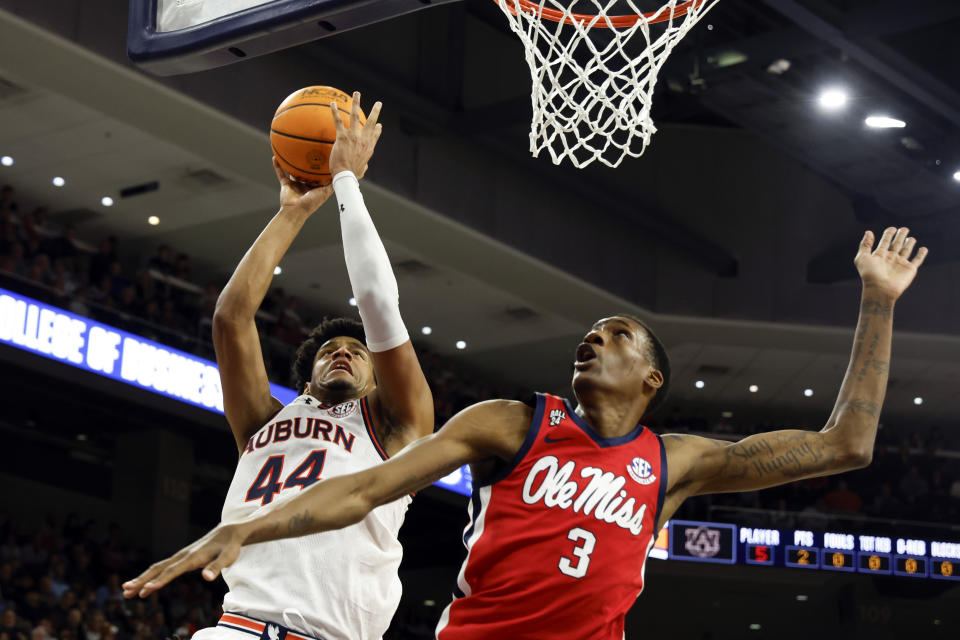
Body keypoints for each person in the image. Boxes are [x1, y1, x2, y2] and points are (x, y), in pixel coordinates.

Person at [125, 228, 926, 639]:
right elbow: (363, 488)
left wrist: (880, 301)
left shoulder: (673, 463)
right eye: (590, 332)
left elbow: (844, 445)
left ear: (652, 379)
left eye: (616, 335)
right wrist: (243, 530)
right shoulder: (515, 421)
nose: (594, 338)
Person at [125, 95, 433, 640]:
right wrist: (292, 212)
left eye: (358, 352)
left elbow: (380, 304)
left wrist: (345, 184)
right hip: (239, 628)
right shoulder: (262, 423)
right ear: (307, 372)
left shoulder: (397, 425)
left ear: (377, 377)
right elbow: (230, 318)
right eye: (329, 349)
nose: (343, 351)